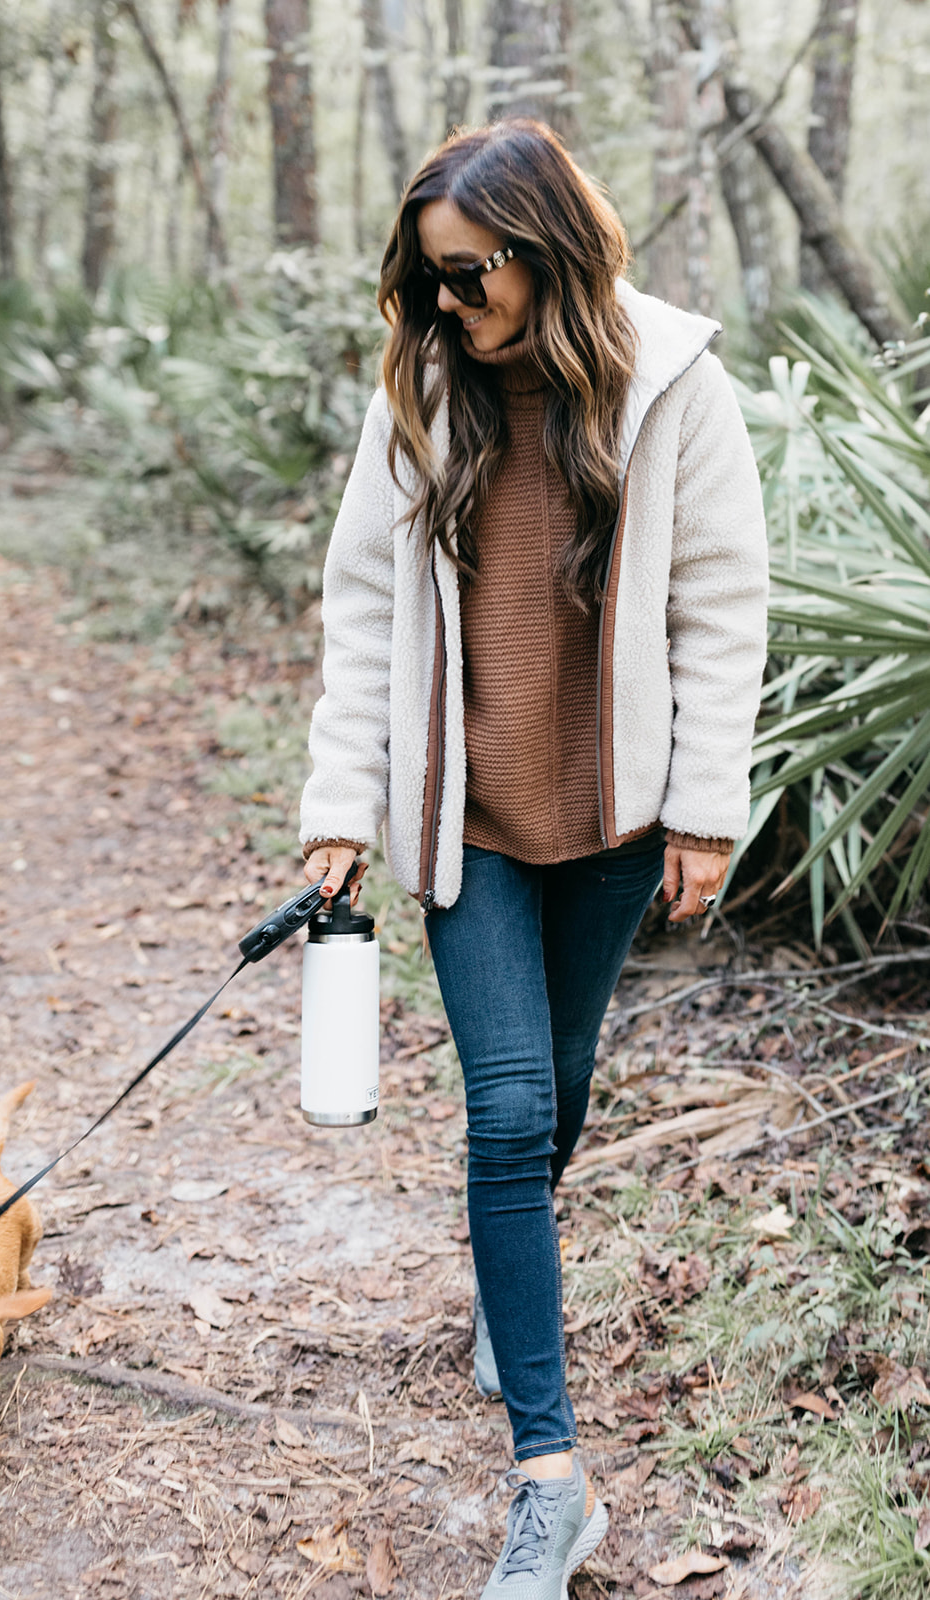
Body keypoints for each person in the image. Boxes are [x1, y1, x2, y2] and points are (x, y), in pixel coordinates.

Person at [298, 120, 768, 1598]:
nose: (446, 303)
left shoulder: (676, 384)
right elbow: (366, 607)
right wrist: (339, 801)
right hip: (468, 817)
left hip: (618, 816)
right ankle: (552, 1485)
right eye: (428, 278)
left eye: (468, 275)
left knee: (555, 1091)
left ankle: (521, 1291)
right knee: (505, 1111)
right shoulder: (423, 391)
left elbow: (720, 605)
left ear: (541, 249)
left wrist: (706, 807)